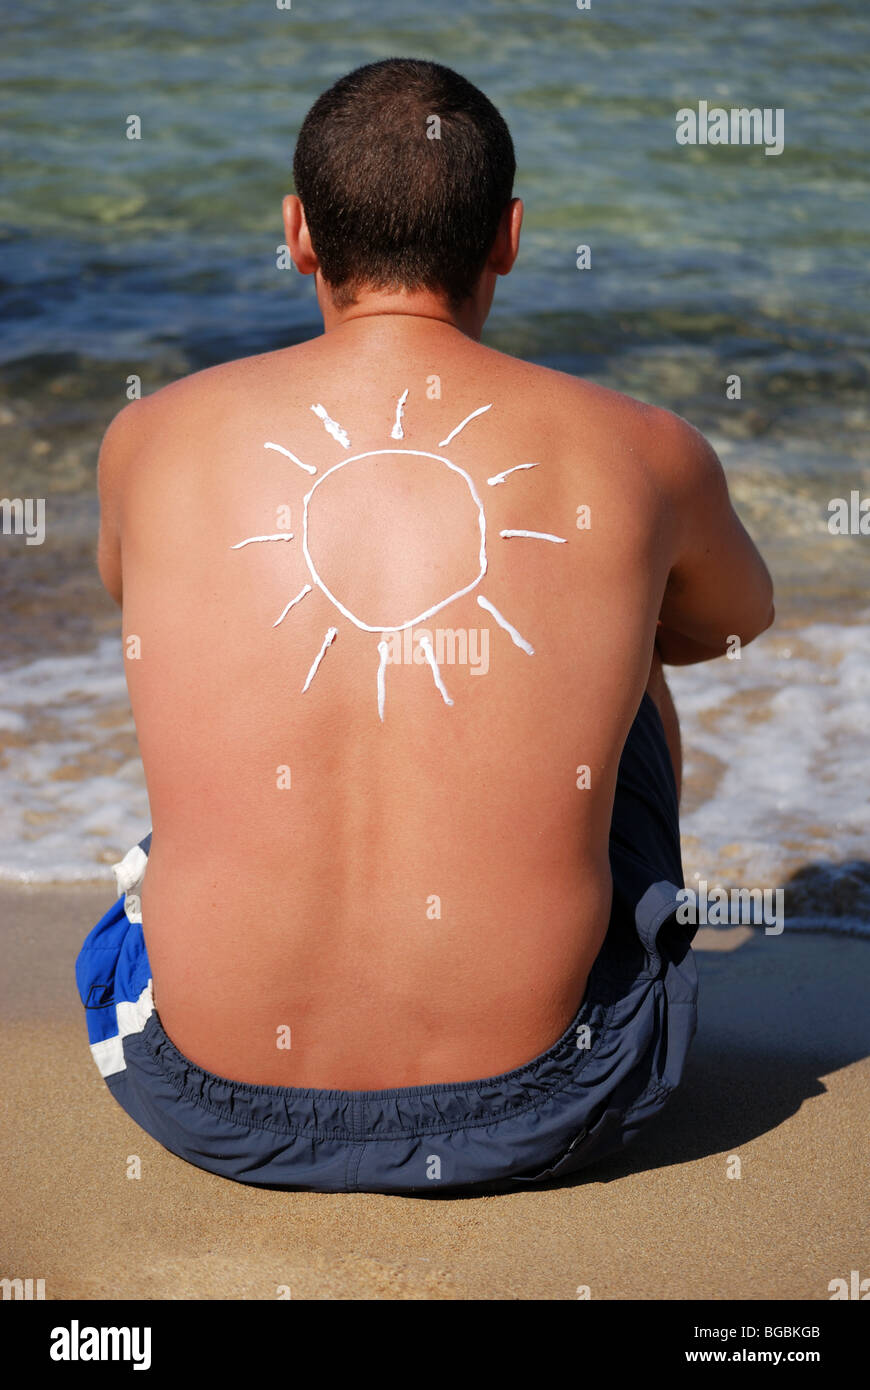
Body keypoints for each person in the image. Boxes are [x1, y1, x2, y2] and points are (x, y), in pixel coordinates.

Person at [76, 58, 774, 1193]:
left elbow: (128, 595)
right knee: (636, 641)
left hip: (203, 1093)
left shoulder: (149, 438)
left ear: (298, 234)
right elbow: (738, 621)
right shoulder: (644, 448)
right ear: (508, 236)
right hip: (551, 1097)